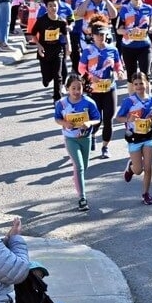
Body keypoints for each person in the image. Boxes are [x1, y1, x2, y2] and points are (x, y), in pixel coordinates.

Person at [114, 73, 152, 206]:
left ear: (147, 83)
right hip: (134, 137)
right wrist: (128, 119)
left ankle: (146, 193)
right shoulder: (129, 101)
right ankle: (131, 167)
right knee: (139, 170)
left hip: (148, 136)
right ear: (132, 85)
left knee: (148, 167)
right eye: (136, 84)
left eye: (141, 83)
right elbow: (118, 118)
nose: (139, 86)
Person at [53, 74, 101, 212]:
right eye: (73, 88)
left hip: (85, 138)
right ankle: (82, 198)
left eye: (79, 88)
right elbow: (57, 118)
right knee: (79, 166)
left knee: (83, 167)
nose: (76, 91)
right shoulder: (61, 103)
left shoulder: (89, 102)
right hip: (70, 139)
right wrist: (64, 123)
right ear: (67, 89)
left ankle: (77, 180)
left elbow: (97, 118)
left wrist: (89, 122)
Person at [79, 25, 125, 159]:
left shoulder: (113, 49)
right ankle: (93, 135)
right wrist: (89, 76)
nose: (100, 37)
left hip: (109, 87)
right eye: (98, 35)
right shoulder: (88, 51)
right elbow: (81, 68)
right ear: (92, 36)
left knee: (109, 118)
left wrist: (120, 71)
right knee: (96, 119)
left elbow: (118, 64)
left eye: (103, 34)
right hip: (94, 90)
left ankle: (105, 147)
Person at [30, 0, 69, 101]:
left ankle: (57, 99)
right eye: (50, 6)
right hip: (44, 50)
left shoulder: (61, 21)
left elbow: (65, 34)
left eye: (55, 6)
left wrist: (68, 47)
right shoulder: (42, 20)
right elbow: (33, 34)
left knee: (58, 75)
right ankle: (46, 79)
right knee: (47, 78)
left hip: (57, 49)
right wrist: (38, 45)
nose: (53, 8)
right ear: (46, 7)